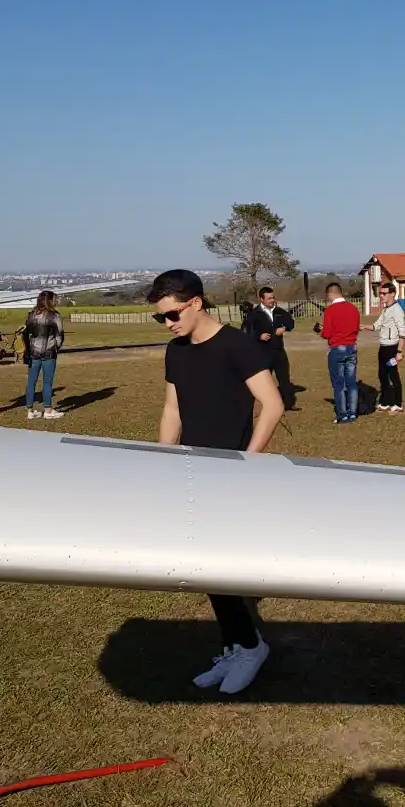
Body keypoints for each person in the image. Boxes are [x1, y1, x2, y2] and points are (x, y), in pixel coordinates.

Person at [149, 268, 284, 695]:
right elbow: (173, 408)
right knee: (205, 569)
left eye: (172, 314)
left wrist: (247, 460)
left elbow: (273, 404)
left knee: (218, 566)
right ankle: (237, 645)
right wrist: (164, 459)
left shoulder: (236, 346)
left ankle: (250, 647)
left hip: (231, 475)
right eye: (161, 318)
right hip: (191, 472)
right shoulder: (176, 351)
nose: (168, 324)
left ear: (195, 303)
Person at [315, 281, 361, 424]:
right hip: (352, 346)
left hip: (337, 348)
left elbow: (327, 333)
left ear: (331, 294)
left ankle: (342, 414)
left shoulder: (330, 310)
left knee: (339, 383)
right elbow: (355, 327)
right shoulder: (353, 308)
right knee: (352, 382)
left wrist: (320, 331)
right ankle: (352, 412)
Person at [246, 286, 296, 410]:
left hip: (279, 352)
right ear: (261, 299)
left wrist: (284, 328)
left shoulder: (279, 311)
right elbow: (248, 332)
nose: (272, 300)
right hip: (263, 352)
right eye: (269, 298)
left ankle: (288, 404)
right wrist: (259, 336)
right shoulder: (254, 315)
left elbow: (291, 323)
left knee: (284, 379)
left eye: (273, 297)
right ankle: (268, 405)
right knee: (265, 381)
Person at [22, 290, 65, 420]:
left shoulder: (31, 314)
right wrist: (56, 347)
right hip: (49, 352)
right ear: (51, 301)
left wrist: (29, 348)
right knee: (47, 382)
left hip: (33, 352)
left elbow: (26, 332)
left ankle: (30, 410)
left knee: (31, 381)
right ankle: (48, 409)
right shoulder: (55, 315)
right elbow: (60, 335)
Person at [367, 282, 405, 413]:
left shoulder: (397, 310)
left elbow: (402, 332)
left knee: (393, 375)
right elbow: (376, 325)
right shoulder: (385, 310)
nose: (381, 296)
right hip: (383, 347)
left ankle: (398, 404)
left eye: (384, 293)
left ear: (393, 294)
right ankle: (385, 402)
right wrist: (363, 327)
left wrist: (399, 352)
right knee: (382, 375)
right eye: (380, 293)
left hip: (392, 348)